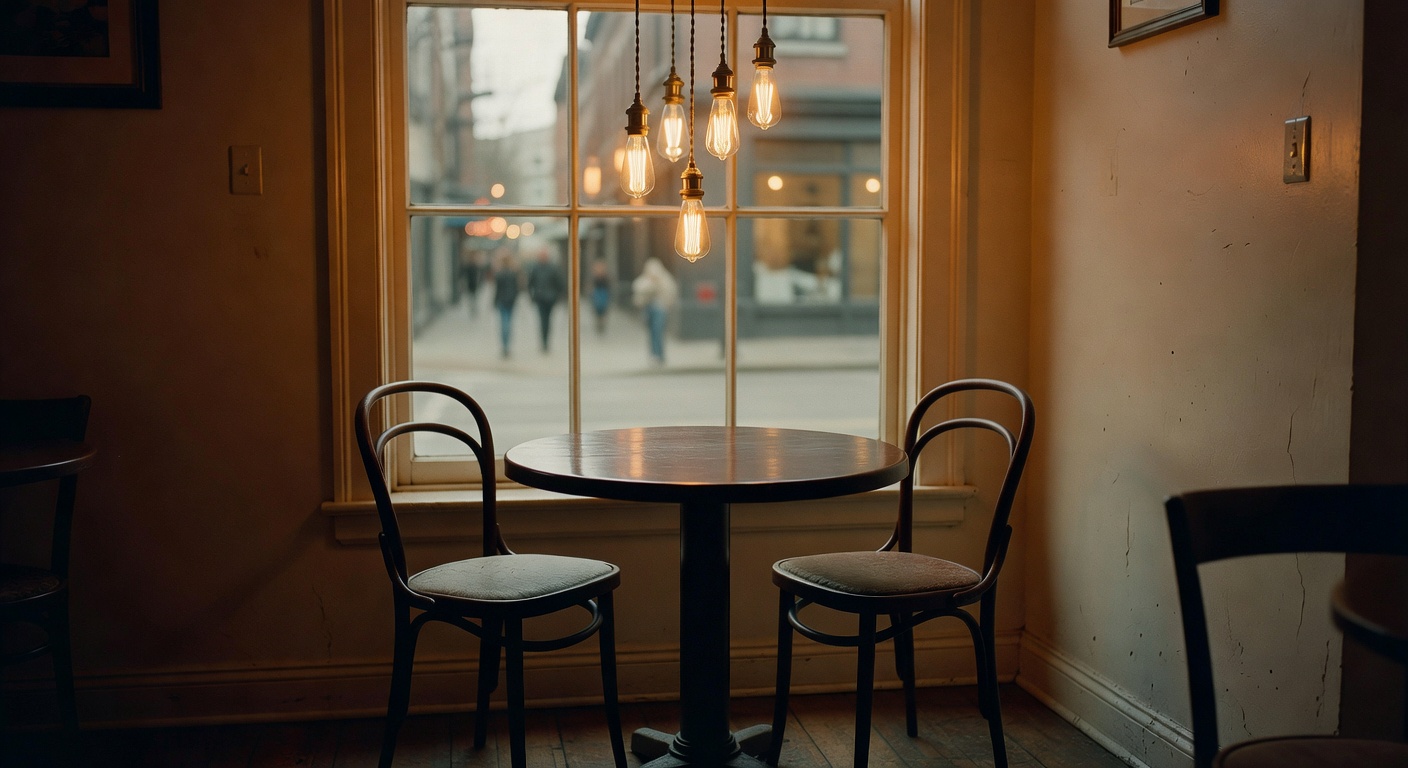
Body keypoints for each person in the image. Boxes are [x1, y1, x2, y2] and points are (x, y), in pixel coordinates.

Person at [631, 257, 679, 365]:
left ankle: (658, 354)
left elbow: (671, 291)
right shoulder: (645, 279)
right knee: (652, 332)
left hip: (660, 308)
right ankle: (655, 354)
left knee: (658, 331)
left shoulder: (665, 279)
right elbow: (638, 287)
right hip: (648, 308)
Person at [527, 248, 564, 353]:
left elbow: (559, 282)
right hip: (540, 298)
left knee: (548, 320)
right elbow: (531, 282)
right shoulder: (535, 268)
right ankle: (544, 341)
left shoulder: (553, 268)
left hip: (550, 298)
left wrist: (558, 295)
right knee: (542, 320)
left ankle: (546, 340)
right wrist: (532, 296)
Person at [491, 250, 521, 358]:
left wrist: (494, 301)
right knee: (508, 322)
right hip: (510, 300)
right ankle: (507, 345)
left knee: (504, 322)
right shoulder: (513, 273)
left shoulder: (499, 273)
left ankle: (505, 345)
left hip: (502, 300)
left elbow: (497, 289)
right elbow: (517, 288)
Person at [588, 257, 611, 335]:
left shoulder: (605, 277)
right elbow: (591, 286)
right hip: (597, 294)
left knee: (603, 309)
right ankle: (599, 322)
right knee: (597, 309)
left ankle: (601, 322)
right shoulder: (594, 277)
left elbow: (608, 286)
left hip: (603, 294)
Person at [460, 246, 484, 318]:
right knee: (471, 298)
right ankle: (473, 309)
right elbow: (464, 275)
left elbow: (480, 276)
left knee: (474, 298)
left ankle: (474, 309)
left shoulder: (476, 266)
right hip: (470, 284)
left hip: (475, 285)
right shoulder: (468, 266)